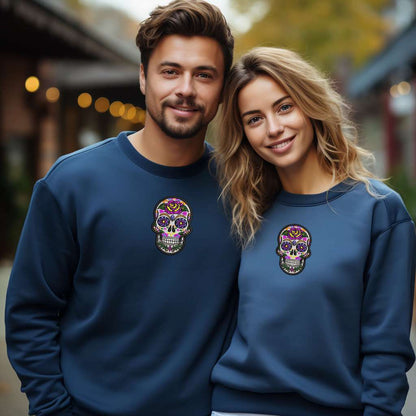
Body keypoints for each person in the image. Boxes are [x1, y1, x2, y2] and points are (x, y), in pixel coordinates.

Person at [5, 1, 240, 415]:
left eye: (204, 75)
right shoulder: (73, 182)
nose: (186, 88)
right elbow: (30, 313)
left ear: (221, 90)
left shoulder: (242, 190)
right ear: (143, 78)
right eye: (170, 71)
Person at [210, 47, 416, 416]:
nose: (273, 128)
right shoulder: (244, 209)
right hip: (237, 405)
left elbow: (386, 349)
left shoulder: (378, 210)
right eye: (254, 119)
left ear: (310, 104)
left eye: (285, 107)